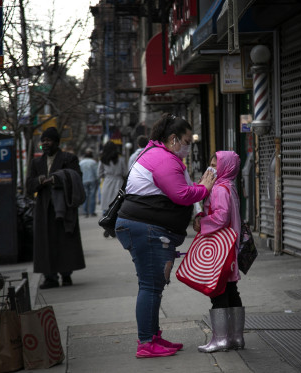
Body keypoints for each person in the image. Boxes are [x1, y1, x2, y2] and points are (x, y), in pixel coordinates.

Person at [115, 113, 216, 358]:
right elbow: (180, 194)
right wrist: (205, 188)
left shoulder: (157, 154)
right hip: (146, 229)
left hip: (145, 228)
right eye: (186, 140)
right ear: (173, 139)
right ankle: (146, 343)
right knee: (150, 286)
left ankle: (153, 336)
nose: (189, 146)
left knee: (154, 285)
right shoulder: (162, 158)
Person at [193, 151, 244, 353]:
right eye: (211, 163)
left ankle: (221, 339)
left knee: (218, 291)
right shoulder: (229, 186)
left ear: (227, 168)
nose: (212, 168)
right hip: (230, 246)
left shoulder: (220, 189)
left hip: (219, 247)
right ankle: (236, 337)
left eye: (216, 165)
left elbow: (221, 217)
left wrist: (202, 222)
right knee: (231, 290)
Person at [26, 127, 86, 289]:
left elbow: (76, 178)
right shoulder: (36, 162)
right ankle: (49, 277)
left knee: (65, 241)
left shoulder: (69, 158)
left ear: (57, 142)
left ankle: (66, 275)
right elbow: (29, 185)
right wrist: (39, 181)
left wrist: (55, 180)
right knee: (45, 243)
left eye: (48, 140)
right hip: (44, 209)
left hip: (63, 207)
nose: (45, 143)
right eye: (43, 140)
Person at [98, 141, 127, 237]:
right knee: (117, 205)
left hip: (107, 182)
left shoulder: (102, 159)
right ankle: (115, 226)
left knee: (106, 206)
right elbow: (125, 172)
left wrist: (106, 176)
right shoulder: (121, 159)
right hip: (118, 182)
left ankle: (106, 224)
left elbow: (99, 173)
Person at [79, 148, 99, 217]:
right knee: (92, 196)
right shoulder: (93, 162)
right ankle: (92, 212)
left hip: (84, 180)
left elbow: (79, 172)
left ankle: (85, 211)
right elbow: (97, 172)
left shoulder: (81, 162)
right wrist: (97, 180)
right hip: (92, 180)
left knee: (85, 196)